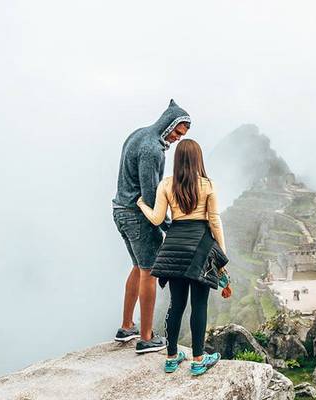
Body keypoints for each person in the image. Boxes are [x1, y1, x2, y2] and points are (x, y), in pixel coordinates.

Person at [137, 138, 228, 376]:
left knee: (176, 305)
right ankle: (198, 359)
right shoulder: (207, 185)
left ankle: (171, 357)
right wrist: (222, 255)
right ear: (198, 159)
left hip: (174, 247)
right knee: (199, 305)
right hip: (200, 247)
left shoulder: (166, 184)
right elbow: (214, 222)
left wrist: (141, 204)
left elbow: (157, 220)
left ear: (177, 159)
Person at [112, 99, 191, 354]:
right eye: (177, 132)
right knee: (149, 272)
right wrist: (168, 225)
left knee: (137, 267)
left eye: (182, 135)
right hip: (138, 217)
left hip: (120, 211)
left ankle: (127, 327)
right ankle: (146, 338)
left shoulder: (138, 134)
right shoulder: (153, 149)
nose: (178, 138)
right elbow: (150, 196)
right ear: (169, 124)